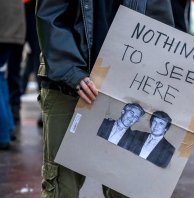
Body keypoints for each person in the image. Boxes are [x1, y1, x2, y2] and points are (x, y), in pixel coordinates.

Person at [36, 0, 174, 197]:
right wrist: (71, 73)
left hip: (126, 90)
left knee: (125, 188)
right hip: (68, 86)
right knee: (62, 187)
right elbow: (51, 17)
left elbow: (162, 26)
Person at [0, 0, 26, 150]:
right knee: (1, 77)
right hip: (14, 27)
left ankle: (3, 134)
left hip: (3, 27)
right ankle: (8, 128)